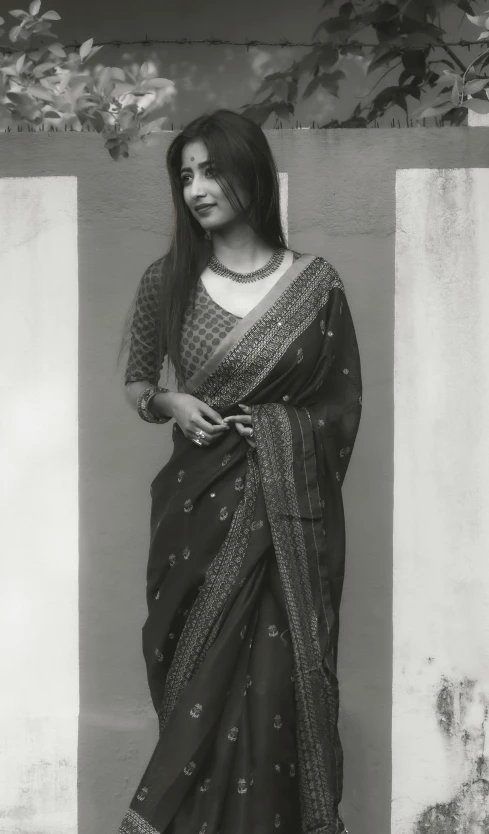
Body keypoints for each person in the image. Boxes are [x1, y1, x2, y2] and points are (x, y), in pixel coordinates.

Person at [118, 109, 362, 834]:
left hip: (284, 525)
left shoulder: (315, 285)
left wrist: (285, 431)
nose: (196, 188)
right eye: (185, 175)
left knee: (276, 689)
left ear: (250, 171)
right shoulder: (166, 281)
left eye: (211, 170)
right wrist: (173, 400)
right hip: (194, 516)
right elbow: (137, 385)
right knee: (194, 681)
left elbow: (340, 407)